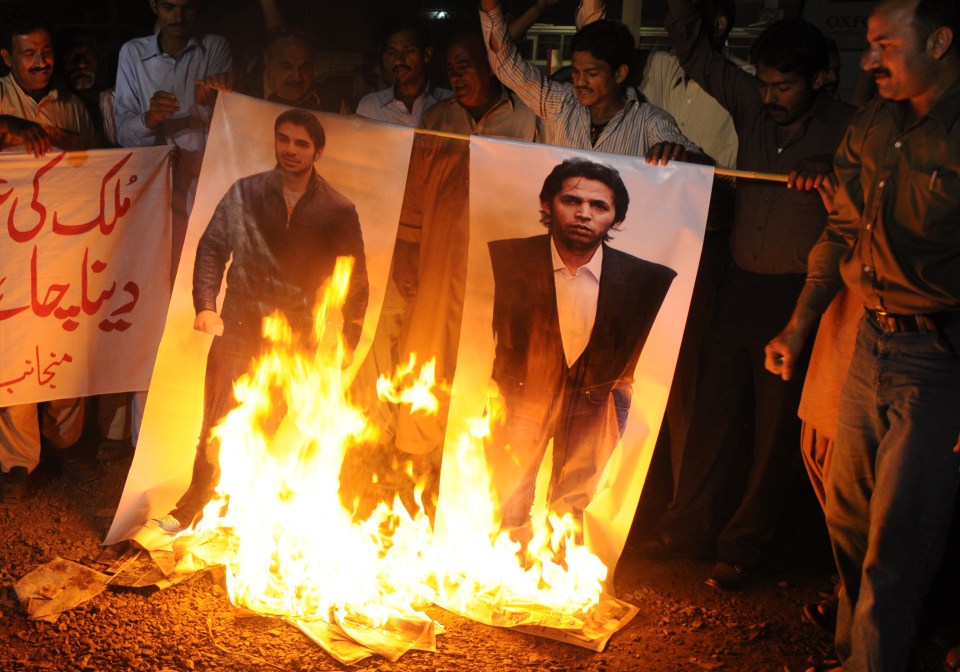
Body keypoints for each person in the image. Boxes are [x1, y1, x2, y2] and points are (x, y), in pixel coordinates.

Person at [764, 0, 960, 668]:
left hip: (937, 358)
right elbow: (843, 231)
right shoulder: (876, 123)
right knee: (848, 519)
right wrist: (799, 324)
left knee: (896, 542)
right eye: (869, 45)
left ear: (939, 40)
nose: (869, 61)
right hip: (870, 344)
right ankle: (856, 651)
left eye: (885, 45)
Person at [635, 0, 855, 591]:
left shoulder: (853, 130)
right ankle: (687, 529)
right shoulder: (751, 111)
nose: (770, 97)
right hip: (739, 284)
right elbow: (697, 54)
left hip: (799, 298)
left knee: (774, 431)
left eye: (784, 86)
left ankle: (744, 545)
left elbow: (864, 204)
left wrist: (831, 164)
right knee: (711, 412)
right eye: (764, 84)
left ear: (820, 78)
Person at [341, 29, 542, 520]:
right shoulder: (439, 118)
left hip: (502, 271)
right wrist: (408, 252)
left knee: (490, 367)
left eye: (466, 65)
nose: (456, 75)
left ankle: (476, 481)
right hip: (439, 264)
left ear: (491, 68)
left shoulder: (526, 119)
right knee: (427, 360)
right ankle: (416, 475)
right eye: (451, 68)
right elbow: (415, 192)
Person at [151, 109, 369, 534]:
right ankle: (193, 505)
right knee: (216, 421)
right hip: (238, 325)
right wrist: (206, 305)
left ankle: (243, 511)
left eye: (301, 143)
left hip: (296, 335)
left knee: (265, 424)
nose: (290, 149)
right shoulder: (246, 193)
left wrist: (348, 338)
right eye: (284, 139)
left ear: (317, 151)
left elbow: (357, 279)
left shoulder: (337, 209)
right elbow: (213, 247)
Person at [486, 157, 676, 531]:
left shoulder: (647, 279)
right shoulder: (509, 259)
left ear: (616, 219)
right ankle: (504, 576)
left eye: (599, 206)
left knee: (571, 510)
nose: (584, 213)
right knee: (508, 498)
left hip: (599, 398)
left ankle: (557, 581)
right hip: (522, 392)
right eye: (572, 201)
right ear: (547, 204)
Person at [0, 14, 99, 503]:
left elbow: (102, 168)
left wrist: (67, 141)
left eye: (46, 52)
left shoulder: (73, 106)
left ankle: (67, 446)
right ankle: (18, 464)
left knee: (67, 345)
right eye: (28, 54)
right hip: (8, 256)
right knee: (13, 351)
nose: (40, 62)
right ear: (7, 58)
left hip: (63, 249)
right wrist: (10, 127)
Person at [478, 0, 709, 165]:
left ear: (619, 74)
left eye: (591, 73)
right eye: (576, 71)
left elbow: (700, 169)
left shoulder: (650, 121)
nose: (579, 81)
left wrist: (680, 157)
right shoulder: (562, 104)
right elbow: (506, 65)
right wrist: (491, 6)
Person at [114, 0, 233, 268]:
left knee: (201, 264)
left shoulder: (215, 48)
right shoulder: (133, 54)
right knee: (152, 266)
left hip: (203, 181)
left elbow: (230, 126)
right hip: (152, 185)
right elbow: (123, 133)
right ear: (153, 5)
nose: (178, 16)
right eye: (169, 7)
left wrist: (209, 103)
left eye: (187, 7)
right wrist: (150, 118)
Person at [355, 19, 452, 127]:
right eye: (392, 52)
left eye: (408, 50)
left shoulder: (449, 103)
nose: (398, 60)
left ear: (426, 54)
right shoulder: (371, 106)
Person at [236, 25, 343, 113]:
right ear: (267, 60)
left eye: (305, 67)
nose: (297, 77)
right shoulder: (241, 94)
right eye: (286, 66)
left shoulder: (333, 103)